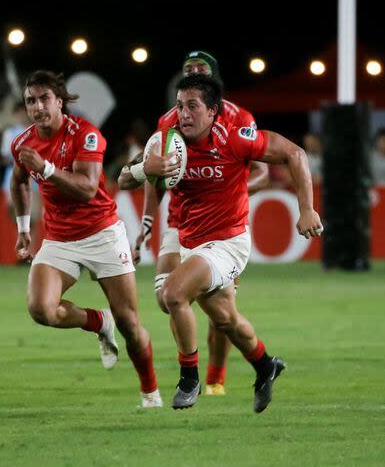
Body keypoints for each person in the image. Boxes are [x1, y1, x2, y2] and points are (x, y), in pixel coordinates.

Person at [127, 74, 322, 411]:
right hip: (189, 240)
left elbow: (295, 153)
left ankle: (189, 379)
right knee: (225, 319)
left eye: (192, 107)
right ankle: (265, 365)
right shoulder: (167, 138)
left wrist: (306, 209)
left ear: (213, 111)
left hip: (228, 242)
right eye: (179, 106)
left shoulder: (235, 138)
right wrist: (145, 169)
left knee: (173, 294)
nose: (183, 114)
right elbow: (123, 178)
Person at [10, 70, 161, 408]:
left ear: (59, 101)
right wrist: (23, 229)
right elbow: (18, 180)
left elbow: (88, 188)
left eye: (43, 99)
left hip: (102, 234)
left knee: (130, 324)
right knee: (41, 309)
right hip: (60, 238)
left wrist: (46, 169)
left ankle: (150, 393)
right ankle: (98, 320)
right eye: (30, 101)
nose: (37, 107)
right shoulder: (23, 143)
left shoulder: (86, 134)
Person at [122, 51, 268, 397]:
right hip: (181, 223)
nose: (194, 75)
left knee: (219, 315)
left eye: (201, 71)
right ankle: (258, 364)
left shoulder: (238, 119)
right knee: (168, 297)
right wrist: (145, 222)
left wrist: (225, 190)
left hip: (224, 228)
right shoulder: (168, 123)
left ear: (214, 81)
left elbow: (266, 167)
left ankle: (212, 378)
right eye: (188, 72)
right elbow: (147, 175)